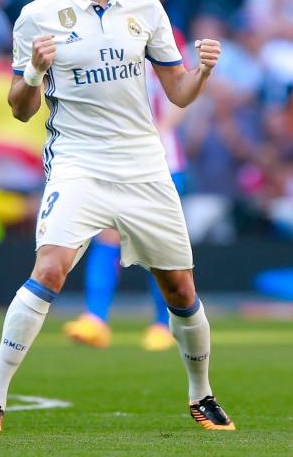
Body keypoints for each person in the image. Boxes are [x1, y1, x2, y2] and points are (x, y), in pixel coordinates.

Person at [0, 0, 235, 432]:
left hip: (143, 164)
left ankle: (202, 395)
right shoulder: (37, 16)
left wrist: (202, 73)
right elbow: (20, 108)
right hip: (78, 163)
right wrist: (36, 71)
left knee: (180, 288)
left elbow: (178, 93)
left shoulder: (145, 8)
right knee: (49, 268)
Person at [62, 35, 189, 352]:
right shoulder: (101, 43)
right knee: (106, 233)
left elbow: (180, 93)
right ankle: (95, 319)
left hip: (161, 160)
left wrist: (156, 135)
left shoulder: (161, 38)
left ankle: (164, 322)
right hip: (115, 158)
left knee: (155, 244)